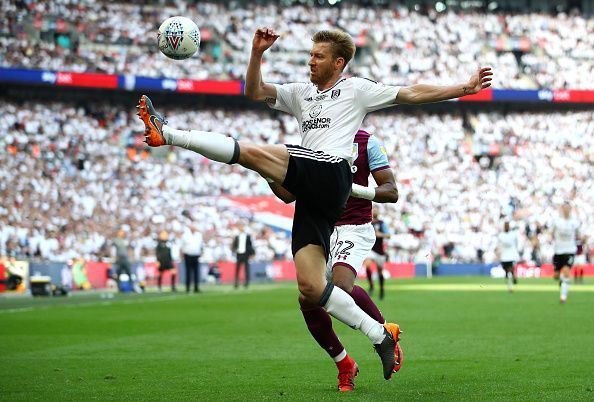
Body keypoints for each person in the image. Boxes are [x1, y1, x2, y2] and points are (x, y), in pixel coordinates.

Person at [136, 27, 492, 383]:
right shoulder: (300, 94)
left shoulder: (356, 89)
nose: (310, 61)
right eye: (310, 55)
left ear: (338, 63)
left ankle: (167, 133)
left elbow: (412, 93)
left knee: (255, 152)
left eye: (318, 56)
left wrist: (464, 88)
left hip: (332, 170)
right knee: (310, 288)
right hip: (314, 193)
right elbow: (254, 91)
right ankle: (379, 334)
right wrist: (257, 53)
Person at [268, 129, 399, 390]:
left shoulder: (367, 142)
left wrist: (351, 189)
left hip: (354, 226)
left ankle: (385, 332)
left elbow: (391, 192)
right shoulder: (311, 141)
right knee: (307, 298)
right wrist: (267, 172)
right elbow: (288, 195)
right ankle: (344, 364)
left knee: (339, 287)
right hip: (319, 227)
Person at [552, 203, 581, 303]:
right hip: (558, 251)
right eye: (564, 208)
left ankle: (563, 297)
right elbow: (551, 233)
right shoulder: (557, 222)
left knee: (566, 272)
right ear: (561, 209)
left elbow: (579, 234)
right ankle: (561, 279)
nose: (566, 210)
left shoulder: (575, 222)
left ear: (570, 209)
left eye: (568, 208)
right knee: (556, 276)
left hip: (570, 251)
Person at [365, 207, 391, 300]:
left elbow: (388, 235)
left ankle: (381, 289)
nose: (374, 211)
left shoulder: (381, 223)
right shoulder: (367, 223)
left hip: (380, 252)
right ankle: (371, 286)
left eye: (376, 210)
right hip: (370, 249)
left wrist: (380, 234)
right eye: (373, 209)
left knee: (380, 272)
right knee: (367, 265)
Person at [497, 220, 521, 292]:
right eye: (505, 226)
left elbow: (517, 244)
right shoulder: (501, 235)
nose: (506, 227)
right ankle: (513, 277)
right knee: (507, 271)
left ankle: (510, 287)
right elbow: (499, 246)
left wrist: (516, 252)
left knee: (510, 270)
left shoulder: (513, 234)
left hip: (511, 255)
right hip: (504, 256)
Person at [181, 221, 203, 293]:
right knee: (188, 272)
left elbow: (201, 245)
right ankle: (188, 287)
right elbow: (182, 246)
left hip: (196, 255)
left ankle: (196, 287)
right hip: (188, 255)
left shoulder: (199, 235)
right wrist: (182, 255)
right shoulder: (185, 235)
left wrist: (201, 253)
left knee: (196, 272)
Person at [231, 222, 255, 289]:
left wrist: (252, 253)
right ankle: (236, 282)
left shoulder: (247, 236)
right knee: (237, 268)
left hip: (245, 254)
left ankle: (246, 283)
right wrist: (234, 250)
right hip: (239, 254)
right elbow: (234, 245)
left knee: (246, 269)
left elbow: (250, 245)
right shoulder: (237, 237)